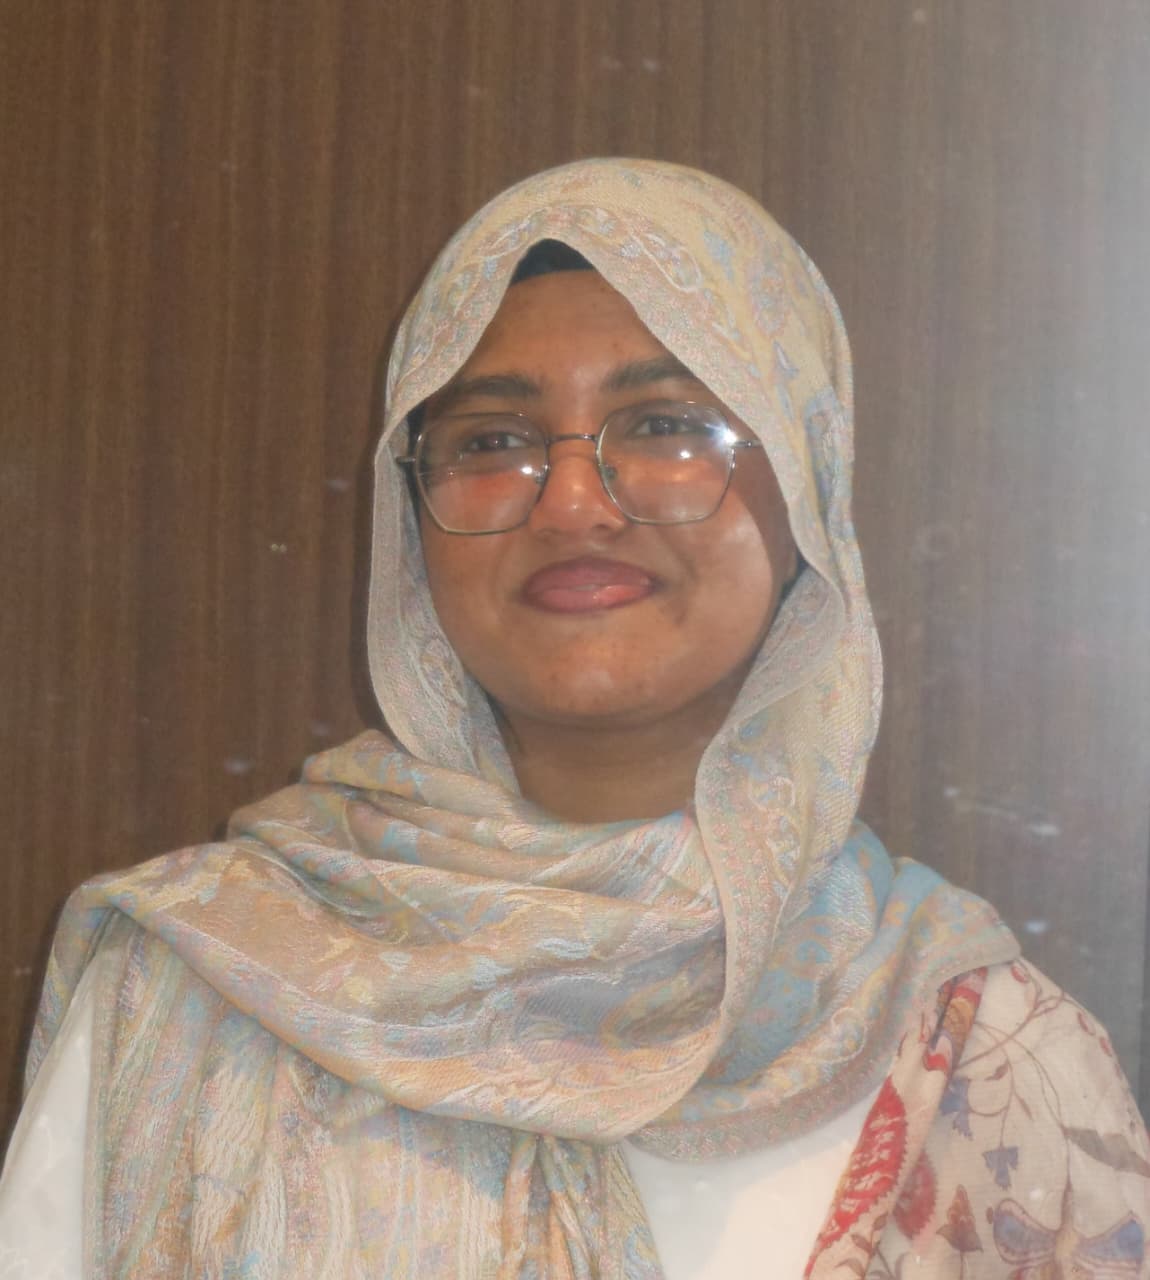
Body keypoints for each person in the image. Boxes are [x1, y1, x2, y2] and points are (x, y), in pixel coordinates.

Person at [1, 158, 1147, 1278]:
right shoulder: (197, 984)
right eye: (493, 441)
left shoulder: (984, 1052)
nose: (574, 502)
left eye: (667, 423)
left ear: (806, 487)